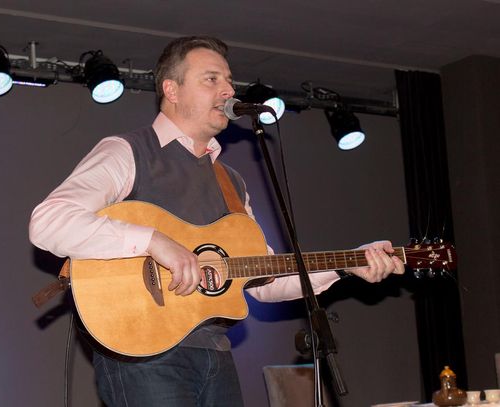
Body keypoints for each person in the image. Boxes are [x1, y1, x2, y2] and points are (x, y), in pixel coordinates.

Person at [29, 36, 404, 407]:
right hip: (142, 353)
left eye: (229, 81)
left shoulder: (231, 182)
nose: (228, 90)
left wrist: (347, 265)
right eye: (211, 79)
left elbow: (264, 280)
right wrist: (154, 242)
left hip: (216, 356)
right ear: (172, 90)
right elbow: (48, 221)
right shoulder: (128, 151)